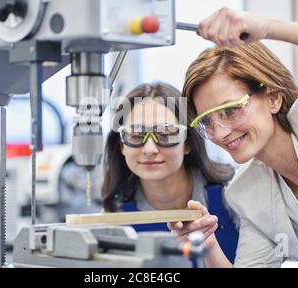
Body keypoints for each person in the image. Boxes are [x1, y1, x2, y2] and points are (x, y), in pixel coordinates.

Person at [168, 7, 298, 268]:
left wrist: (269, 27)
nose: (220, 133)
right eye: (207, 121)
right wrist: (207, 243)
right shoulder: (248, 191)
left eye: (231, 110)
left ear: (273, 97)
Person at [101, 82, 238, 263]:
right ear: (121, 146)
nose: (150, 149)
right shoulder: (115, 213)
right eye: (135, 136)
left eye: (166, 134)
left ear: (187, 143)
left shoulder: (233, 192)